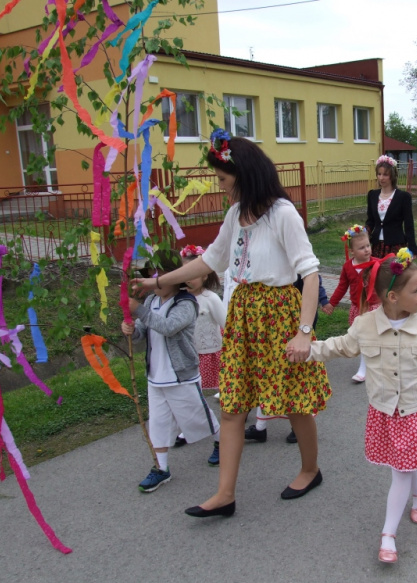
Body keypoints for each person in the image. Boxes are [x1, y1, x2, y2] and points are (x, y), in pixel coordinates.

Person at [131, 128, 331, 518]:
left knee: (293, 403)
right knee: (232, 405)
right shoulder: (234, 216)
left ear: (244, 174)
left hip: (279, 315)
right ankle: (225, 495)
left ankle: (310, 470)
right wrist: (158, 282)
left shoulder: (283, 214)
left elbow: (310, 274)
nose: (220, 187)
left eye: (223, 180)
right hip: (242, 316)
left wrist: (303, 333)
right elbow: (209, 262)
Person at [296, 250, 417, 564]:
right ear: (392, 296)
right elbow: (341, 346)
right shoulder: (365, 325)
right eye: (415, 291)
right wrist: (308, 349)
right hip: (385, 409)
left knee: (401, 468)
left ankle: (388, 535)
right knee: (405, 463)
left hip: (416, 409)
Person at [122, 251, 222, 491]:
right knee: (158, 422)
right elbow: (143, 333)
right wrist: (131, 329)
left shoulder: (187, 303)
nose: (153, 282)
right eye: (150, 276)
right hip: (156, 376)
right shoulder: (151, 302)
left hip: (181, 375)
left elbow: (168, 327)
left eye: (158, 277)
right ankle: (161, 468)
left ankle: (222, 443)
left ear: (174, 278)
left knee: (198, 415)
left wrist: (138, 311)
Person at [245, 273, 330, 444]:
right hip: (267, 322)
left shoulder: (296, 261)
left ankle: (297, 426)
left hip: (292, 322)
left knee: (293, 378)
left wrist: (305, 327)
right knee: (265, 372)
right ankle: (260, 427)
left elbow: (313, 282)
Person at [172, 245, 226, 457]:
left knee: (225, 388)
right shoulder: (179, 298)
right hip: (188, 355)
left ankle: (233, 421)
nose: (190, 278)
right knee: (191, 394)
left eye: (195, 274)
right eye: (186, 273)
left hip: (212, 352)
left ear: (205, 276)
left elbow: (226, 323)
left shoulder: (210, 298)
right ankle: (188, 428)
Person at [322, 225, 378, 382]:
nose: (367, 250)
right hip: (358, 309)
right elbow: (341, 286)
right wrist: (331, 303)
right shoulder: (348, 267)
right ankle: (368, 364)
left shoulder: (376, 264)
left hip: (374, 307)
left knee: (371, 337)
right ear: (352, 251)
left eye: (368, 245)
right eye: (361, 248)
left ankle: (365, 367)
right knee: (362, 338)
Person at [365, 155, 417, 258]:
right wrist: (361, 233)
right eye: (379, 174)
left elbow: (408, 224)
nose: (381, 178)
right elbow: (371, 221)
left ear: (392, 175)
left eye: (385, 174)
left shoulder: (403, 197)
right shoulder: (372, 195)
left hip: (395, 245)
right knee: (376, 273)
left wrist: (412, 247)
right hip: (377, 245)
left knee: (394, 273)